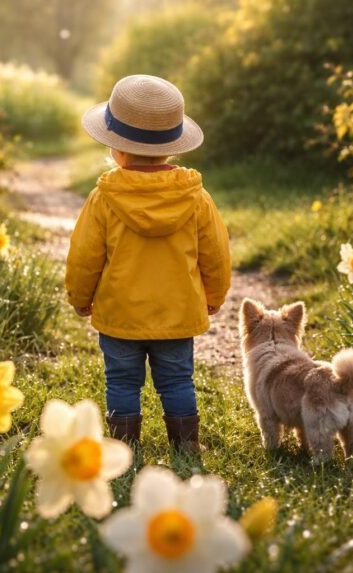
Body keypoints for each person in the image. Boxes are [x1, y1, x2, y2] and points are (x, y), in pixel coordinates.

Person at [65, 74, 231, 452]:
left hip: (121, 314)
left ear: (117, 149)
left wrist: (79, 296)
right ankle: (185, 448)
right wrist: (215, 293)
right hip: (177, 313)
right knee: (177, 381)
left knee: (122, 382)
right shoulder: (195, 196)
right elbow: (216, 252)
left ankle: (124, 449)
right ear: (172, 149)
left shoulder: (104, 196)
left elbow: (84, 255)